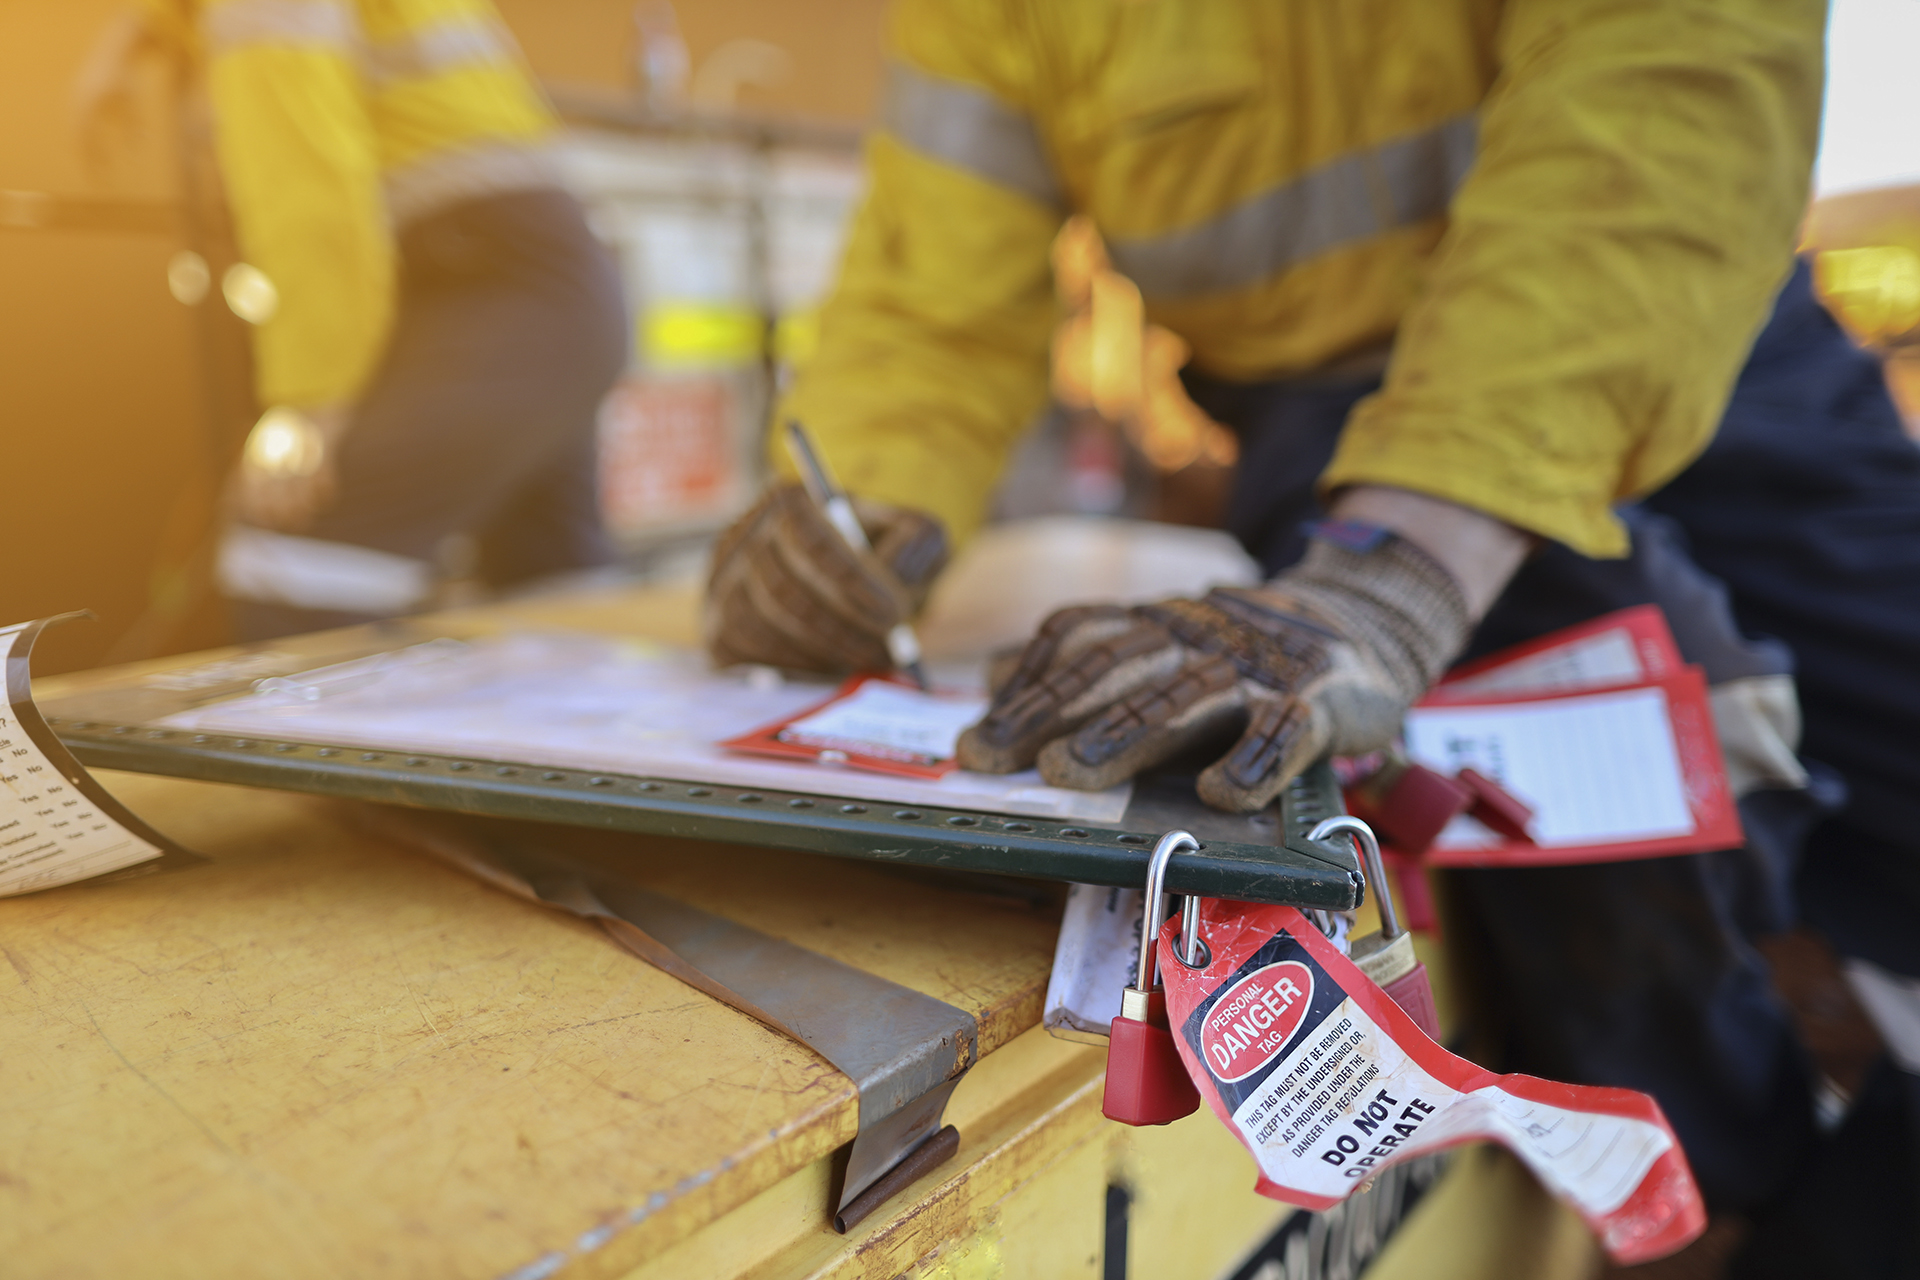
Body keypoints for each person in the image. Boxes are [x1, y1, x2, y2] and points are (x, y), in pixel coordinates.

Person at [701, 0, 1845, 1242]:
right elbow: (928, 302)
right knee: (1603, 817)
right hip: (1324, 412)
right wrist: (863, 509)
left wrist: (1411, 560)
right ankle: (1722, 1207)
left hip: (1679, 292)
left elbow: (1668, 86)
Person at [78, 0, 628, 639]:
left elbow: (309, 195)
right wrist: (136, 33)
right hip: (557, 297)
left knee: (291, 559)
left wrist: (309, 404)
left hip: (489, 289)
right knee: (554, 599)